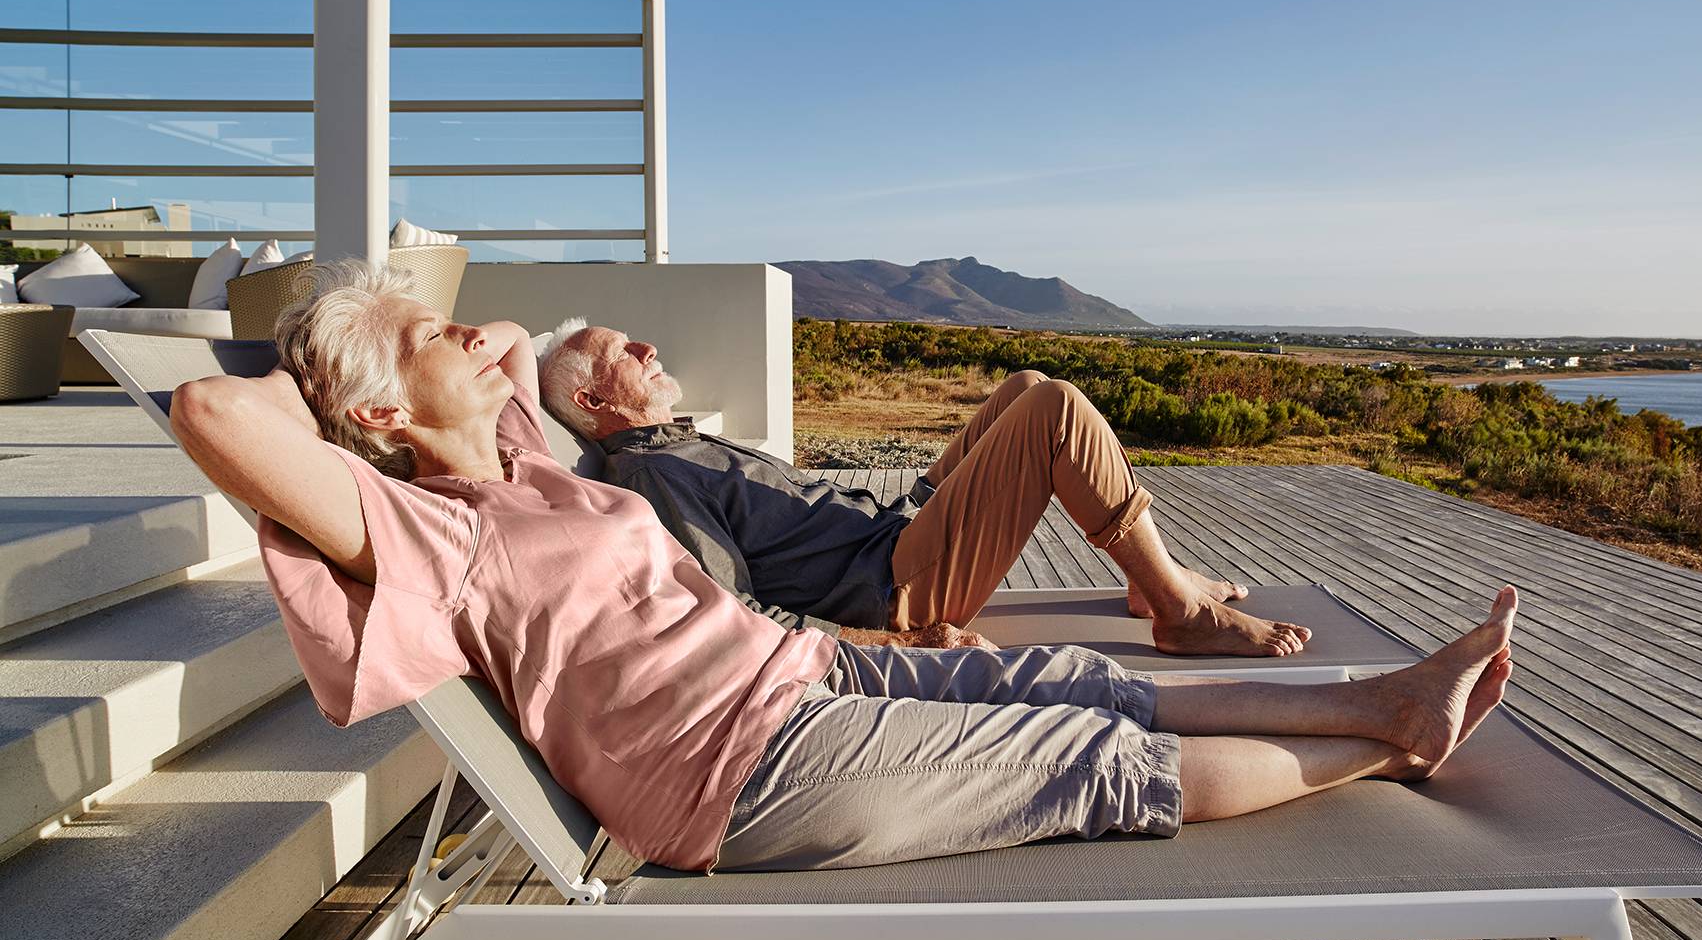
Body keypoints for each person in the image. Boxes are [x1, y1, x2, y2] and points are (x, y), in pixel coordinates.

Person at [171, 260, 1515, 874]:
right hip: (732, 768)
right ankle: (1389, 734)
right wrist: (333, 375)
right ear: (378, 420)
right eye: (430, 337)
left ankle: (1376, 686)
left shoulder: (529, 458)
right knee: (1078, 753)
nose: (468, 329)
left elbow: (520, 335)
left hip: (801, 669)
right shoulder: (423, 525)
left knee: (1070, 673)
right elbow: (212, 416)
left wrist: (413, 341)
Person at [538, 321, 1316, 657]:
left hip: (890, 527)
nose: (647, 346)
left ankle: (1154, 579)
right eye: (622, 352)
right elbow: (733, 615)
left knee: (1026, 383)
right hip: (894, 584)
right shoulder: (653, 477)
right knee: (1056, 411)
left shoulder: (673, 443)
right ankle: (1178, 612)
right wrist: (905, 643)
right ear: (597, 405)